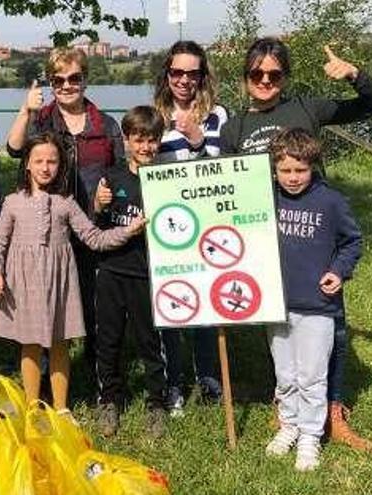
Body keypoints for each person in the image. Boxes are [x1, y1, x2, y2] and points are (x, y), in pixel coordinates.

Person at [220, 37, 372, 451]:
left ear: (285, 77)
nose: (265, 80)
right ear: (245, 77)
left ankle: (333, 411)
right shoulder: (234, 127)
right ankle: (288, 408)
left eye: (274, 74)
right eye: (256, 73)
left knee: (336, 332)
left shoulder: (307, 107)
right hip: (267, 246)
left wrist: (354, 74)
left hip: (316, 236)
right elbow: (222, 189)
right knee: (280, 334)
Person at [0, 133, 146, 418]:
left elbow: (93, 238)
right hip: (23, 282)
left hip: (60, 282)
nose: (45, 167)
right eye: (39, 161)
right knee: (30, 344)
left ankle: (61, 408)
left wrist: (127, 231)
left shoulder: (66, 203)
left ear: (61, 166)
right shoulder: (12, 202)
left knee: (60, 343)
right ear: (27, 164)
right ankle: (33, 406)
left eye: (52, 161)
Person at [5, 46, 124, 369]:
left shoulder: (106, 125)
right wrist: (25, 111)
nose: (67, 85)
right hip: (48, 228)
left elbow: (120, 173)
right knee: (46, 300)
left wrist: (109, 195)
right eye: (58, 80)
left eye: (74, 78)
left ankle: (98, 368)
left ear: (86, 80)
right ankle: (44, 371)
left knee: (93, 301)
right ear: (51, 82)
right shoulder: (42, 120)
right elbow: (14, 149)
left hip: (93, 226)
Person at [266, 128, 362, 471]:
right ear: (274, 168)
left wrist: (339, 270)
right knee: (285, 373)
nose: (292, 178)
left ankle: (310, 434)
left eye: (300, 170)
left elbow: (352, 242)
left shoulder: (331, 201)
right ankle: (289, 424)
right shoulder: (266, 198)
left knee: (312, 374)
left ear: (313, 166)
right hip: (276, 303)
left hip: (319, 306)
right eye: (285, 170)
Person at [152, 40, 227, 413]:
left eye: (192, 73)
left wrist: (197, 140)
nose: (184, 80)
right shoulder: (153, 116)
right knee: (171, 304)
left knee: (206, 308)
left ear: (202, 76)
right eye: (177, 72)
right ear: (167, 75)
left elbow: (225, 166)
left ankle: (210, 380)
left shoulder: (217, 115)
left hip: (206, 225)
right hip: (165, 227)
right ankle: (173, 383)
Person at [92, 106, 168, 438]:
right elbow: (97, 226)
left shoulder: (168, 179)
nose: (146, 147)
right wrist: (98, 205)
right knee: (108, 340)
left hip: (149, 273)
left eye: (152, 140)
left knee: (150, 342)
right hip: (111, 270)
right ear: (126, 140)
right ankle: (109, 399)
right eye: (139, 140)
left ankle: (156, 403)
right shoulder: (111, 177)